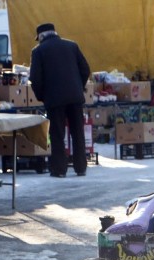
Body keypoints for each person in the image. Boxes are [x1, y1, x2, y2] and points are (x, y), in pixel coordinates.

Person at [29, 23, 91, 178]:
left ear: (41, 36)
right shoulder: (71, 46)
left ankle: (59, 169)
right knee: (78, 133)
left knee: (57, 134)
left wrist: (42, 95)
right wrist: (79, 86)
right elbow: (85, 69)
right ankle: (81, 167)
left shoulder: (38, 51)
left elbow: (35, 79)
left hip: (54, 99)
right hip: (75, 97)